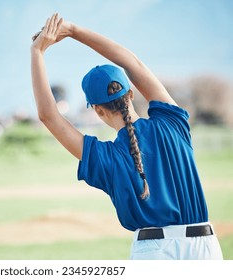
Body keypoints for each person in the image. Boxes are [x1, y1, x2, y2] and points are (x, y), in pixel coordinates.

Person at [30, 13, 223, 260]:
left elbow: (48, 115)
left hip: (154, 254)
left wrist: (38, 53)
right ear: (131, 94)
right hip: (204, 248)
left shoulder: (106, 156)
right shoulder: (172, 123)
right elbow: (133, 63)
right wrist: (73, 30)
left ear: (97, 110)